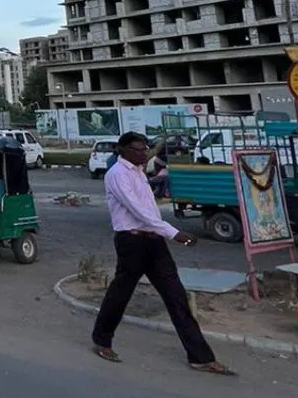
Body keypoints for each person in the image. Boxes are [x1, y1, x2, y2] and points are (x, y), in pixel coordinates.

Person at [91, 131, 234, 375]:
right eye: (136, 149)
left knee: (176, 296)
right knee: (120, 294)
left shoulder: (139, 173)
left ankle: (200, 356)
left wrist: (165, 234)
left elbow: (150, 211)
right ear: (122, 150)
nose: (142, 153)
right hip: (131, 242)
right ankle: (102, 340)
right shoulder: (117, 175)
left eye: (144, 149)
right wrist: (173, 233)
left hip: (154, 242)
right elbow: (137, 211)